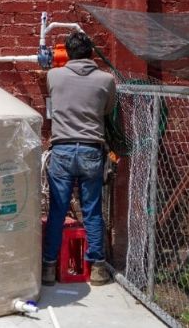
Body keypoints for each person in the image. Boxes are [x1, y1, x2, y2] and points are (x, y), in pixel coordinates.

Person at [42, 31, 117, 286]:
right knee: (92, 211)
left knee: (57, 212)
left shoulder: (54, 75)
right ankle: (96, 268)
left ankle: (49, 268)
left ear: (68, 54)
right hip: (91, 150)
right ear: (91, 53)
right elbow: (107, 110)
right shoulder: (106, 80)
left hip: (62, 149)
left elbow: (52, 98)